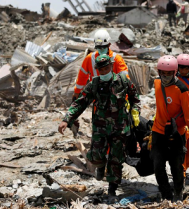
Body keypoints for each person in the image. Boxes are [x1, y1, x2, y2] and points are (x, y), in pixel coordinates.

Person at [59, 55, 141, 196]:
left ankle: (112, 189)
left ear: (111, 66)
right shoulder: (94, 84)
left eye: (106, 68)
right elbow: (80, 103)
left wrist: (135, 112)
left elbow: (135, 97)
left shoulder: (122, 81)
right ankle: (100, 166)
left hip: (120, 127)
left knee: (116, 159)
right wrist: (67, 119)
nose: (104, 71)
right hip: (100, 127)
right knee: (95, 155)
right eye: (101, 69)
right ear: (97, 70)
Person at [151, 55, 189, 202]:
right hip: (158, 131)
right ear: (159, 72)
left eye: (169, 73)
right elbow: (160, 107)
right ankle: (166, 195)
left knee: (177, 168)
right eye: (163, 73)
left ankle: (178, 192)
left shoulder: (182, 89)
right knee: (158, 167)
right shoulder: (156, 83)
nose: (165, 77)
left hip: (177, 133)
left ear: (174, 72)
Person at [72, 29, 129, 101]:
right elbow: (82, 77)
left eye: (103, 47)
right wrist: (77, 92)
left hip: (115, 98)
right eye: (99, 47)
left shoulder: (116, 59)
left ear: (109, 45)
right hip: (98, 98)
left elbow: (125, 79)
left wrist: (126, 98)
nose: (101, 49)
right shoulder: (90, 58)